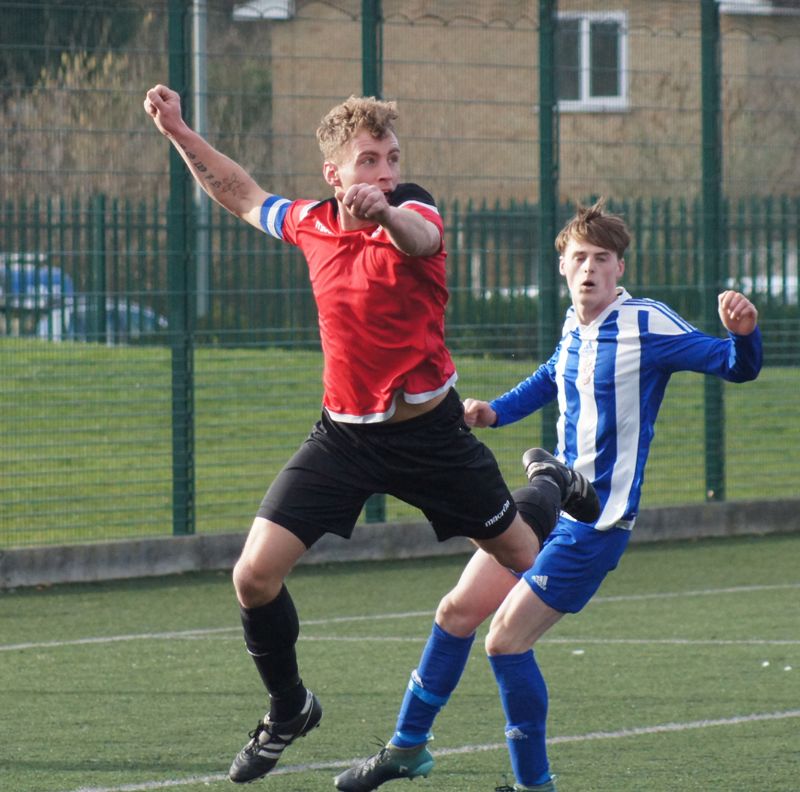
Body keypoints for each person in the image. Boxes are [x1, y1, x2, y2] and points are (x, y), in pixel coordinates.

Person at [143, 86, 600, 784]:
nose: (384, 171)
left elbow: (421, 236)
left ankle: (550, 480)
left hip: (431, 437)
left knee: (521, 549)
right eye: (368, 161)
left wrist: (386, 209)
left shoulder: (412, 207)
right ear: (335, 174)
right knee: (253, 576)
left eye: (391, 157)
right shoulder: (310, 223)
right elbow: (241, 193)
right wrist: (179, 130)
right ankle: (289, 708)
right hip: (344, 438)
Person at [334, 200, 763, 792]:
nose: (590, 268)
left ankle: (534, 786)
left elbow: (733, 366)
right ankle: (405, 749)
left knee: (505, 642)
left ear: (619, 269)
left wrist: (744, 335)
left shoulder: (648, 323)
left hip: (595, 525)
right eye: (580, 257)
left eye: (603, 259)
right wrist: (495, 411)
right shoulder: (573, 324)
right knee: (456, 612)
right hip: (546, 504)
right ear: (562, 265)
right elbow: (552, 374)